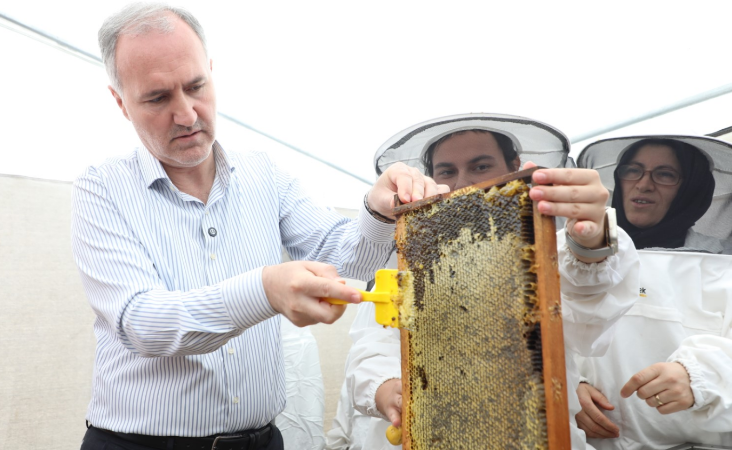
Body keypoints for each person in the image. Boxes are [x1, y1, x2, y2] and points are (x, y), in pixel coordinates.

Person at [71, 4, 448, 450]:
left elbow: (342, 259)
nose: (188, 115)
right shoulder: (102, 188)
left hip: (260, 441)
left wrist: (379, 210)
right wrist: (265, 289)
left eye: (196, 86)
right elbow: (143, 323)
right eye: (157, 98)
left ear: (212, 72)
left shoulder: (263, 174)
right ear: (121, 102)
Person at [341, 113, 640, 450]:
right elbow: (371, 343)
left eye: (480, 166)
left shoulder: (549, 248)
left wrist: (592, 243)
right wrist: (385, 386)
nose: (461, 182)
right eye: (447, 171)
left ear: (513, 165)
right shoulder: (406, 258)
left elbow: (590, 303)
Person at [574, 135, 732, 449]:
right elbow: (560, 330)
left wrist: (699, 377)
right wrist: (568, 386)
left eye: (665, 175)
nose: (643, 184)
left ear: (692, 187)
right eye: (632, 170)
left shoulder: (721, 264)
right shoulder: (583, 258)